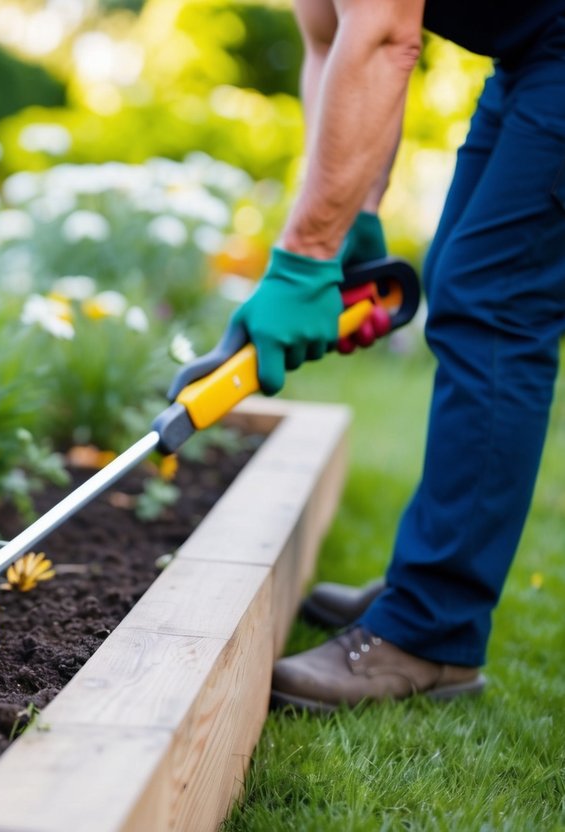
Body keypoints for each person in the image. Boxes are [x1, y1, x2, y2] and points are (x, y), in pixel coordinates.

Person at [234, 0, 565, 712]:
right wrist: (351, 218)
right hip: (538, 43)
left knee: (495, 305)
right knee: (465, 281)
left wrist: (304, 259)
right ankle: (436, 576)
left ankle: (431, 630)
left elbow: (386, 36)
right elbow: (332, 41)